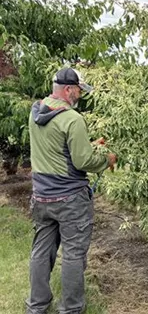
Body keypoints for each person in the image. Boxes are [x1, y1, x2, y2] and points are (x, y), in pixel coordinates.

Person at [26, 67, 117, 314]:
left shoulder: (36, 112)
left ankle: (36, 307)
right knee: (73, 255)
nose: (80, 95)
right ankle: (71, 309)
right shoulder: (73, 119)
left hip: (42, 197)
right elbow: (82, 162)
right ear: (68, 89)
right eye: (78, 90)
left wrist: (86, 145)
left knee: (41, 251)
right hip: (70, 200)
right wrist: (107, 159)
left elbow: (57, 149)